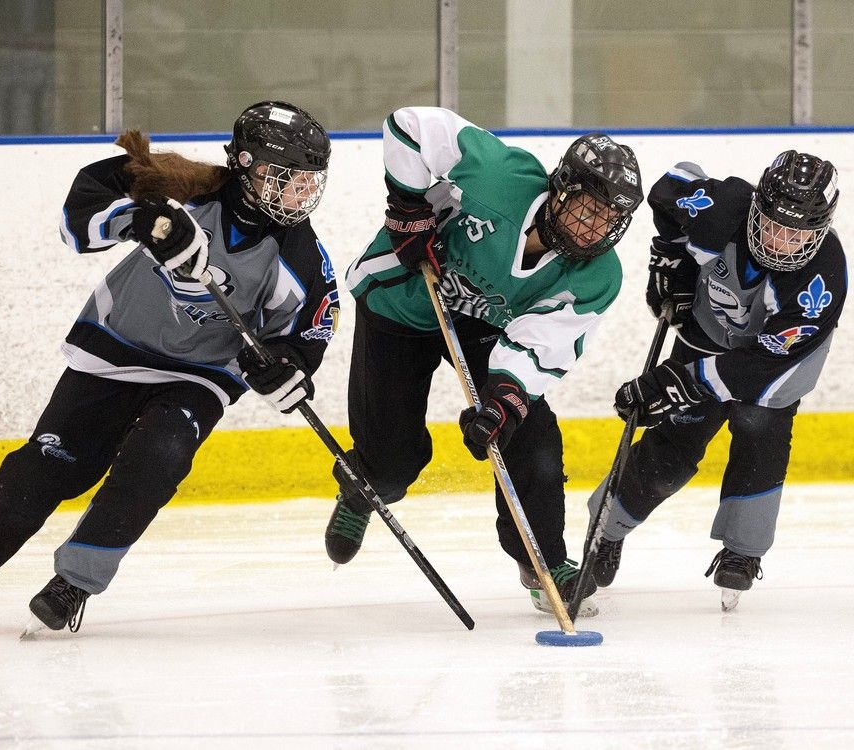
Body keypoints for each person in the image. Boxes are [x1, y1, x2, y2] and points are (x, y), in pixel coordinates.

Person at [0, 101, 338, 632]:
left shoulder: (300, 256)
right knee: (40, 471)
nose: (297, 195)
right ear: (243, 164)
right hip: (112, 351)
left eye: (307, 183)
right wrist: (143, 221)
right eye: (282, 178)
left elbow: (307, 328)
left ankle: (74, 582)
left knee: (158, 455)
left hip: (199, 376)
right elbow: (80, 217)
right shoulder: (182, 186)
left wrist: (286, 363)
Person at [322, 106, 643, 616]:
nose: (593, 230)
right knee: (393, 464)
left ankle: (542, 561)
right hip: (402, 301)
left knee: (531, 438)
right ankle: (365, 487)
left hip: (486, 329)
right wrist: (408, 208)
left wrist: (504, 403)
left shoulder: (597, 274)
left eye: (609, 220)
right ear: (560, 189)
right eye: (587, 209)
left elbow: (540, 345)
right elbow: (409, 126)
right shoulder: (499, 176)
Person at [588, 150, 845, 611]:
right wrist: (670, 262)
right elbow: (670, 186)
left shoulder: (820, 281)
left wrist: (678, 381)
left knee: (758, 427)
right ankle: (606, 531)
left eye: (797, 233)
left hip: (778, 365)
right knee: (673, 449)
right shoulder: (725, 206)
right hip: (708, 334)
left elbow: (761, 368)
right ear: (757, 208)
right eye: (772, 224)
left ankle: (743, 553)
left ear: (820, 229)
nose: (781, 241)